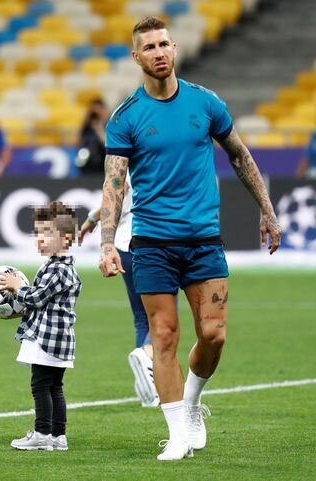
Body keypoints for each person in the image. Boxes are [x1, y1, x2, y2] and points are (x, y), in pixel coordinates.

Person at [98, 16, 282, 461]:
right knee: (163, 337)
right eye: (150, 47)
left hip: (203, 241)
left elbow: (239, 155)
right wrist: (107, 242)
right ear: (137, 56)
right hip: (153, 243)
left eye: (165, 44)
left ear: (175, 48)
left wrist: (267, 209)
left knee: (213, 335)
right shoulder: (126, 117)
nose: (159, 52)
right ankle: (177, 433)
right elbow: (114, 184)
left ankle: (193, 402)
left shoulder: (206, 103)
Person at [0, 201, 81, 451]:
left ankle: (43, 433)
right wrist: (19, 311)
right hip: (55, 336)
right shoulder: (58, 266)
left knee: (40, 385)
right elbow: (42, 302)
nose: (39, 239)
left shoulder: (58, 269)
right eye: (38, 233)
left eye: (46, 234)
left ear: (65, 238)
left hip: (48, 337)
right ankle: (58, 436)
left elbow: (36, 297)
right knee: (54, 386)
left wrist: (16, 286)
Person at [78, 174, 159, 407]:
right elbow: (119, 192)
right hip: (150, 243)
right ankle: (147, 358)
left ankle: (149, 384)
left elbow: (116, 195)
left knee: (142, 317)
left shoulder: (127, 159)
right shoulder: (155, 159)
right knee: (163, 315)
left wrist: (94, 217)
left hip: (124, 245)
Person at [76, 98, 108, 173]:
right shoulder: (87, 126)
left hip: (102, 163)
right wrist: (86, 121)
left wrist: (98, 128)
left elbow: (107, 144)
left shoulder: (109, 125)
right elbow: (78, 141)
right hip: (87, 162)